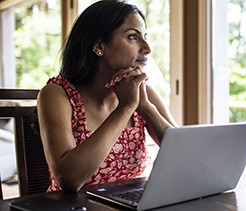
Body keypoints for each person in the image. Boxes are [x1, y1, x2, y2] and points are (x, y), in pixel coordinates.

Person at [37, 0, 177, 193]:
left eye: (145, 36)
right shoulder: (58, 94)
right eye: (133, 37)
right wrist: (125, 108)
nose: (147, 48)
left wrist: (144, 107)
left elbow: (183, 156)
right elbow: (68, 178)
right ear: (98, 45)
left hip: (128, 204)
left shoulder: (143, 92)